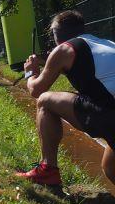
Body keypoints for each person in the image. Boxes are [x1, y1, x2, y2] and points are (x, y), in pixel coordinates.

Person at [16, 10, 115, 188]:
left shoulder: (64, 49)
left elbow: (36, 89)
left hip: (109, 115)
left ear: (55, 34)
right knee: (110, 167)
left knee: (45, 100)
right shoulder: (106, 44)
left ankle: (47, 170)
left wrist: (30, 72)